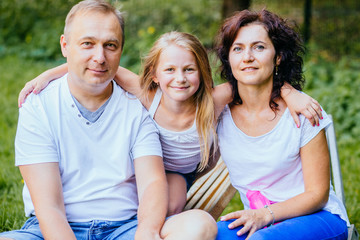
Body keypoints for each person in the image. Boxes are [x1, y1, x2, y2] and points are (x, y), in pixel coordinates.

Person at [17, 28, 324, 218]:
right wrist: (46, 75)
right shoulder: (147, 94)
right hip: (139, 165)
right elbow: (100, 68)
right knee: (124, 198)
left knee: (170, 198)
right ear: (154, 75)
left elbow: (256, 82)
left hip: (179, 171)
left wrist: (290, 92)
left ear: (201, 73)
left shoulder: (214, 99)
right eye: (170, 70)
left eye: (189, 70)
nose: (180, 79)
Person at [0, 1, 218, 239]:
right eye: (87, 44)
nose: (100, 57)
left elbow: (152, 183)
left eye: (110, 46)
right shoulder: (38, 106)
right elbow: (49, 207)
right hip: (52, 230)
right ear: (65, 45)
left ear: (120, 51)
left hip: (124, 228)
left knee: (200, 224)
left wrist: (145, 232)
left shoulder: (138, 107)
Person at [214, 9, 349, 240]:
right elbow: (175, 99)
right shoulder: (220, 113)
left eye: (259, 47)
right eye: (238, 49)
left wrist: (265, 215)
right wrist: (285, 88)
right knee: (204, 233)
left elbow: (318, 195)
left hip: (318, 217)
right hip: (259, 221)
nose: (247, 57)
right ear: (230, 59)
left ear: (277, 57)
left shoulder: (302, 113)